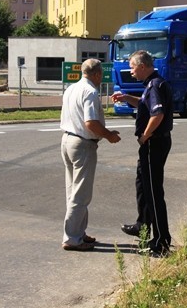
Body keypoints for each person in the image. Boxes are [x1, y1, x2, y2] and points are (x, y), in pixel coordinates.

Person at [111, 50, 174, 255]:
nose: (130, 71)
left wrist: (145, 136)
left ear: (143, 66)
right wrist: (127, 97)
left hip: (153, 144)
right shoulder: (151, 84)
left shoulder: (154, 84)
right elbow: (145, 104)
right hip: (152, 144)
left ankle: (161, 241)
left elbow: (158, 114)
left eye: (132, 66)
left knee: (154, 193)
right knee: (142, 186)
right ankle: (143, 225)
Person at [60, 58, 121, 251]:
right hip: (83, 144)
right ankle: (72, 238)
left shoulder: (71, 89)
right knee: (81, 194)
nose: (101, 78)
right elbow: (91, 123)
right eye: (101, 74)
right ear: (96, 74)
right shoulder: (90, 92)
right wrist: (109, 135)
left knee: (73, 191)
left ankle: (79, 232)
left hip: (67, 140)